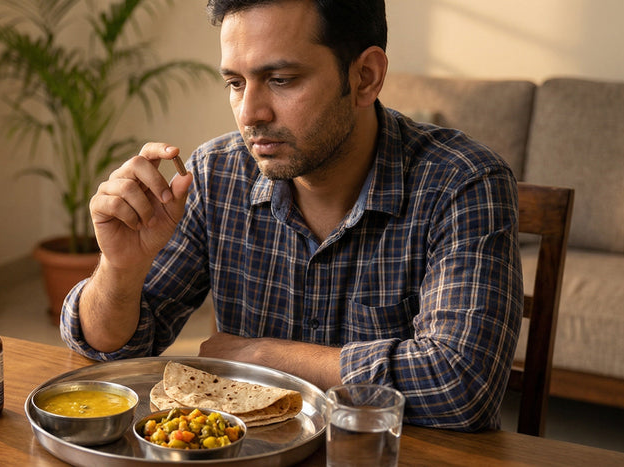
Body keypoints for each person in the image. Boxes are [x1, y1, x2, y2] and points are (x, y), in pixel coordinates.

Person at [59, 0, 522, 432]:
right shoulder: (216, 173)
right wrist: (121, 268)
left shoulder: (462, 181)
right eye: (235, 83)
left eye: (281, 79)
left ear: (365, 76)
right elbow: (109, 348)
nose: (250, 114)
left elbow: (462, 384)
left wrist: (259, 354)